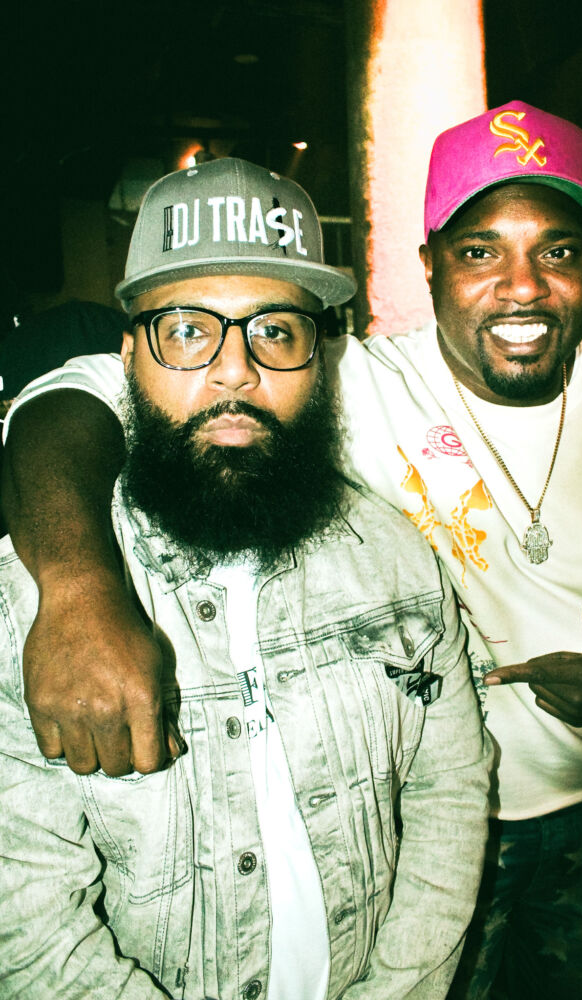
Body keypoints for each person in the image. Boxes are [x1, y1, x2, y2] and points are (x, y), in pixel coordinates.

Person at [3, 101, 582, 997]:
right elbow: (68, 397)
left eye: (557, 250)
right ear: (429, 263)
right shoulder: (342, 378)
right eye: (479, 251)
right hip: (423, 834)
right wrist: (77, 587)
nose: (521, 287)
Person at [0, 158, 490, 998]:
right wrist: (77, 588)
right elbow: (30, 930)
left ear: (318, 358)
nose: (236, 369)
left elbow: (448, 794)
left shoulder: (394, 558)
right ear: (129, 357)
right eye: (189, 330)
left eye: (275, 331)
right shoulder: (33, 610)